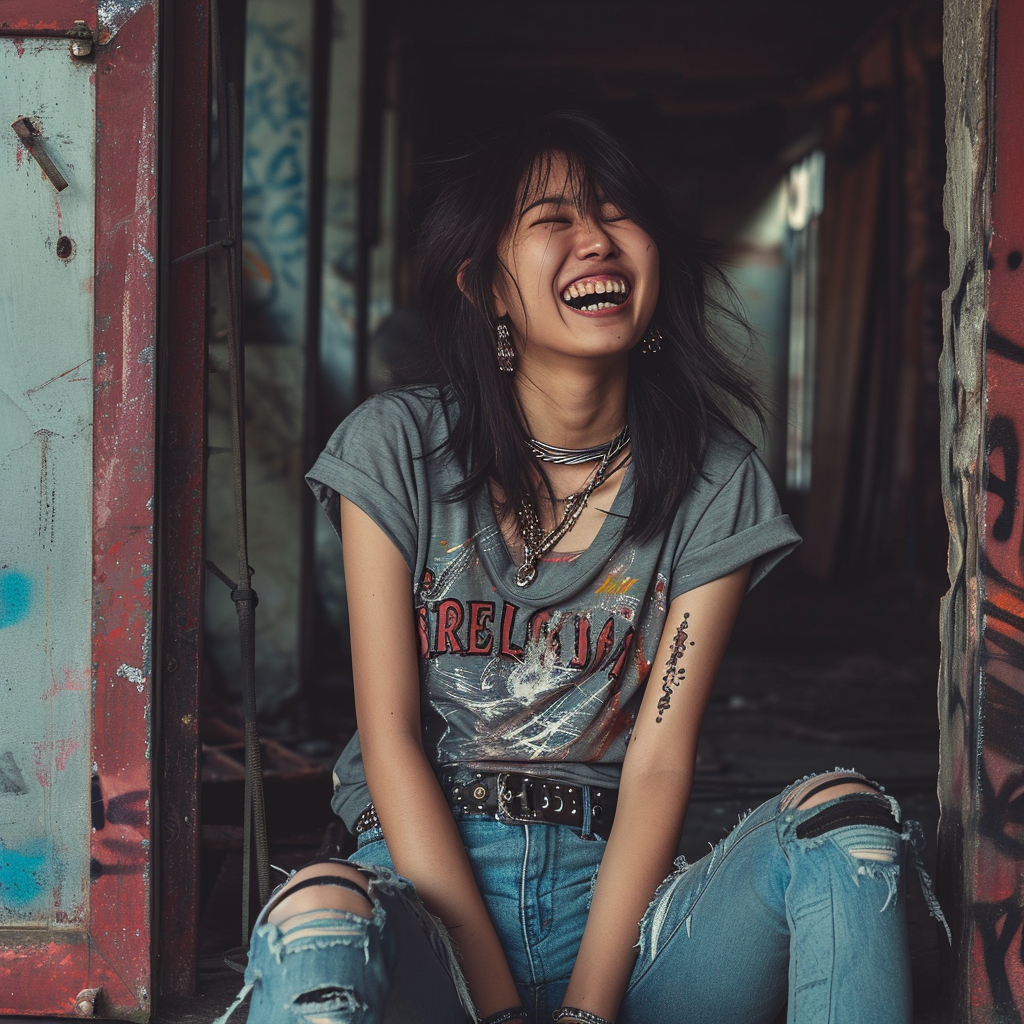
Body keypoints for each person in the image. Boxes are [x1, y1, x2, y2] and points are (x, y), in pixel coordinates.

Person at [217, 111, 943, 1024]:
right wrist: (496, 1006)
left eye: (617, 212)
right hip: (426, 902)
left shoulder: (715, 481)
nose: (596, 237)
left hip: (621, 916)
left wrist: (589, 1011)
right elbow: (391, 734)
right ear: (485, 282)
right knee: (317, 917)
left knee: (849, 829)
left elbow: (657, 760)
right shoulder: (397, 448)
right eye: (553, 218)